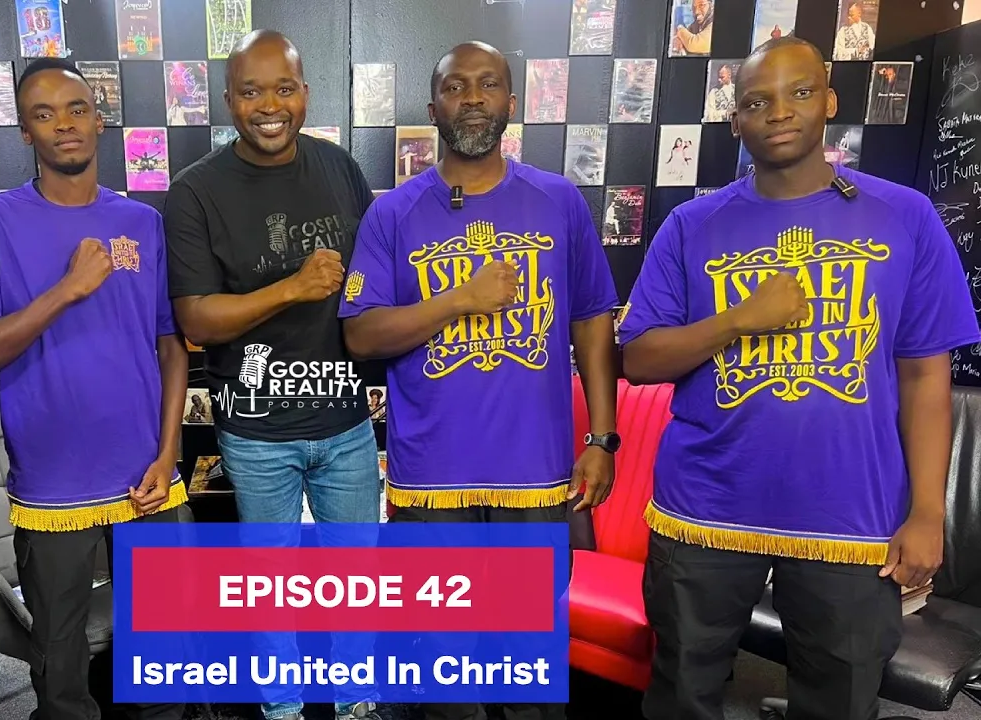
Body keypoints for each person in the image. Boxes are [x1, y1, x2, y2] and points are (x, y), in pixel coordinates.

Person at [617, 37, 980, 720]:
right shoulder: (692, 225)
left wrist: (929, 513)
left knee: (841, 697)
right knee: (681, 691)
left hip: (851, 514)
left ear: (830, 101)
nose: (779, 112)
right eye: (757, 101)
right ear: (736, 121)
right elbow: (638, 358)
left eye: (800, 92)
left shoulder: (905, 217)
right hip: (706, 507)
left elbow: (925, 378)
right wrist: (739, 320)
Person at [339, 41, 621, 720]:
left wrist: (602, 438)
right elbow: (360, 335)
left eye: (487, 84)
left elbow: (591, 321)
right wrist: (460, 299)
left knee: (527, 670)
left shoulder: (558, 201)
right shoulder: (392, 213)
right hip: (430, 483)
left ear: (510, 103)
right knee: (444, 677)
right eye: (456, 87)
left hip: (535, 480)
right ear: (433, 107)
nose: (472, 98)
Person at [0, 58, 190, 720]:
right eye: (44, 114)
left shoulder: (142, 222)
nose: (64, 125)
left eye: (76, 109)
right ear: (25, 132)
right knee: (60, 670)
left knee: (169, 657)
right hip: (53, 488)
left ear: (99, 119)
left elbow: (170, 346)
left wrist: (168, 453)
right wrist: (67, 290)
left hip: (149, 480)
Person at [164, 29, 381, 720]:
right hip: (256, 433)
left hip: (345, 421)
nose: (269, 106)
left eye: (284, 89)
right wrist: (292, 288)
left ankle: (357, 703)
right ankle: (282, 709)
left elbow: (373, 277)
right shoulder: (195, 191)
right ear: (229, 100)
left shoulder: (340, 168)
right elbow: (197, 319)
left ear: (305, 94)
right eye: (251, 91)